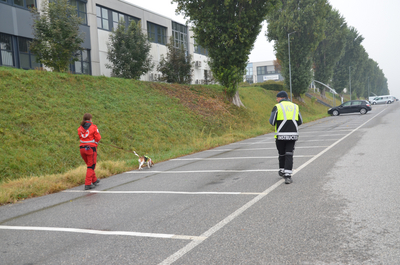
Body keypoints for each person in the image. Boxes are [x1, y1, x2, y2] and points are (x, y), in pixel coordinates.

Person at [269, 91, 302, 184]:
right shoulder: (295, 106)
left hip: (280, 135)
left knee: (281, 154)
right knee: (289, 154)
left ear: (281, 98)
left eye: (277, 98)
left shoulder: (277, 107)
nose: (276, 100)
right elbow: (300, 121)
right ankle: (288, 176)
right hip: (292, 134)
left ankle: (282, 170)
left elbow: (271, 121)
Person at [78, 113, 101, 190]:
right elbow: (98, 137)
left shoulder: (80, 128)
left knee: (89, 164)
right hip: (91, 148)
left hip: (82, 148)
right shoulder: (93, 127)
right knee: (91, 165)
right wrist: (95, 142)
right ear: (90, 119)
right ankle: (88, 184)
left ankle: (94, 180)